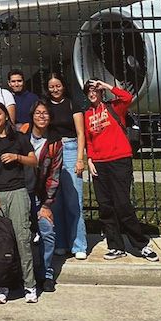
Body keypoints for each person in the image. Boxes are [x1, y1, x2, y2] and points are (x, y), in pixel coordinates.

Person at [83, 79, 158, 262]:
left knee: (122, 204)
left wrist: (107, 86)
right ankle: (116, 246)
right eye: (89, 91)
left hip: (119, 160)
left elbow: (127, 97)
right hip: (99, 163)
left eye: (95, 90)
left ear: (100, 92)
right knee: (106, 207)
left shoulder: (114, 107)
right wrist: (90, 159)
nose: (92, 94)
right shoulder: (87, 115)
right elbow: (89, 139)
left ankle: (141, 244)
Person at [0, 101, 39, 304]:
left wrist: (17, 157)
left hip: (17, 192)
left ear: (6, 115)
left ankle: (29, 285)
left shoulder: (20, 138)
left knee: (22, 239)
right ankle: (0, 286)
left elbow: (34, 160)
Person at [19, 100, 63, 292]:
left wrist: (46, 205)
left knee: (47, 230)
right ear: (32, 115)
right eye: (38, 113)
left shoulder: (54, 143)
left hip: (39, 195)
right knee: (20, 233)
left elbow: (54, 175)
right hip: (19, 192)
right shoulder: (21, 134)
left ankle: (46, 272)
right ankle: (21, 272)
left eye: (45, 113)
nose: (42, 116)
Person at [45, 71, 88, 259]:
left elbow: (81, 133)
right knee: (55, 200)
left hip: (70, 148)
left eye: (58, 85)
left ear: (63, 85)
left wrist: (80, 158)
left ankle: (78, 244)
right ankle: (60, 242)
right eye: (51, 86)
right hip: (53, 150)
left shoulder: (73, 104)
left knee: (73, 200)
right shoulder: (44, 106)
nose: (55, 89)